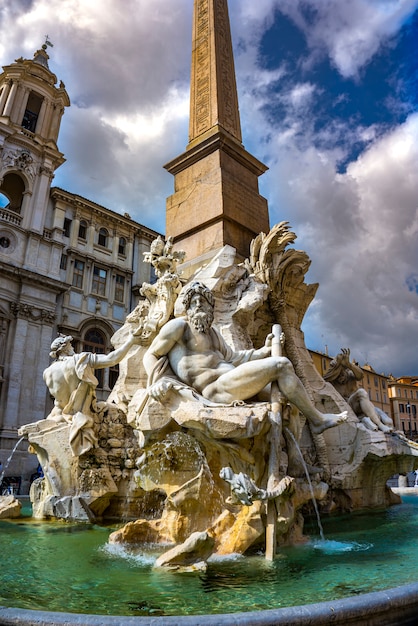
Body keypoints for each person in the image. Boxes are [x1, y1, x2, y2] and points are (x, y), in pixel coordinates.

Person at [143, 282, 347, 435]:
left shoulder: (212, 333)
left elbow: (235, 358)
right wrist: (157, 382)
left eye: (202, 302)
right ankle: (318, 420)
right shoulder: (179, 327)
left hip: (232, 381)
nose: (198, 306)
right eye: (193, 302)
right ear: (186, 308)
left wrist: (264, 350)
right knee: (282, 365)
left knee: (290, 404)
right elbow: (151, 354)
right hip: (215, 389)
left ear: (210, 307)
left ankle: (294, 463)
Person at [43, 331, 139, 455]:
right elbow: (112, 359)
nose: (72, 347)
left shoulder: (47, 372)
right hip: (80, 417)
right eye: (70, 345)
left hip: (57, 416)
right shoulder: (80, 360)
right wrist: (131, 341)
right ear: (65, 349)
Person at [324, 348, 394, 433]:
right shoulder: (332, 381)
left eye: (342, 373)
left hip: (361, 405)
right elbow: (325, 379)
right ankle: (380, 425)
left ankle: (366, 420)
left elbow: (360, 375)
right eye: (338, 374)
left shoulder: (350, 374)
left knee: (388, 421)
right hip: (348, 407)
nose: (341, 377)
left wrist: (349, 364)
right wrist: (336, 365)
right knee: (361, 392)